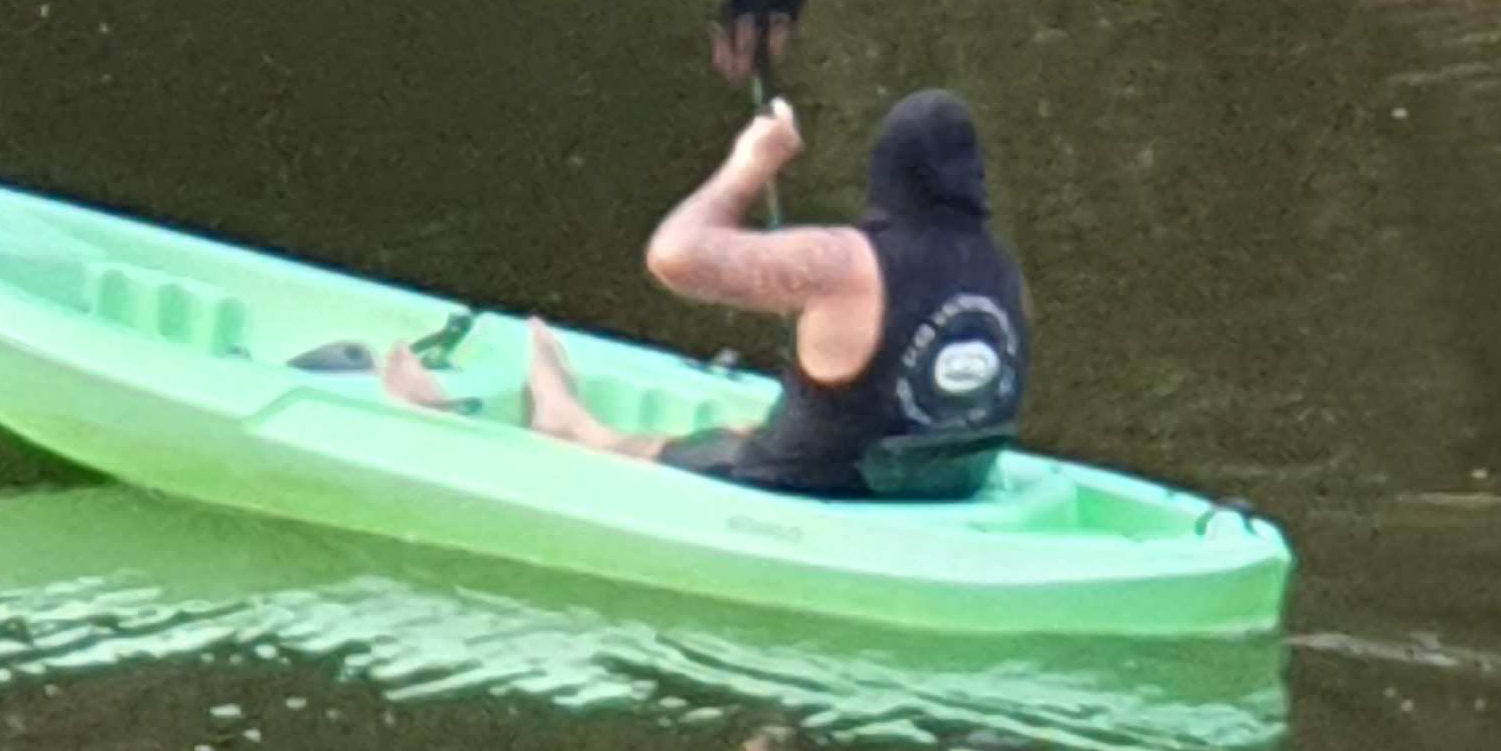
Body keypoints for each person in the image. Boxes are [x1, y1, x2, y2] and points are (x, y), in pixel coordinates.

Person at [380, 85, 1032, 500]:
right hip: (939, 483)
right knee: (758, 427)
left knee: (627, 449)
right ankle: (566, 411)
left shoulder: (843, 264)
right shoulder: (1004, 272)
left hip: (813, 487)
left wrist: (752, 163)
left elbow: (674, 255)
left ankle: (563, 424)